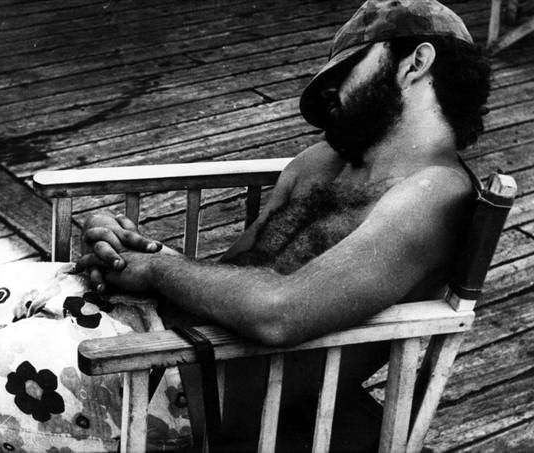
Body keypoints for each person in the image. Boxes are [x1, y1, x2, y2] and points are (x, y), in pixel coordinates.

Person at [75, 0, 491, 450]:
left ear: (416, 63)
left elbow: (279, 313)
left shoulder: (437, 191)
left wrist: (157, 269)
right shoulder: (321, 162)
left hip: (172, 384)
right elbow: (231, 272)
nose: (330, 93)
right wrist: (128, 250)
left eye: (345, 71)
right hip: (139, 335)